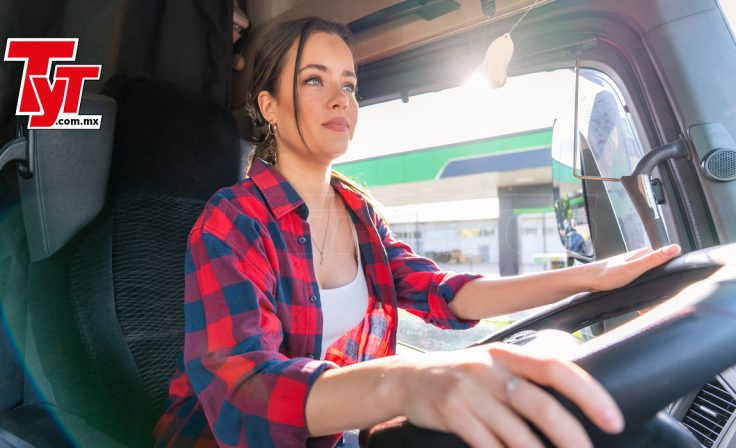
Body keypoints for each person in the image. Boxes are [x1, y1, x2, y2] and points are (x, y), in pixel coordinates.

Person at [154, 17, 681, 448]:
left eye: (349, 84)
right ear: (268, 106)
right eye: (314, 80)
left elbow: (446, 295)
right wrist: (406, 382)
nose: (342, 99)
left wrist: (590, 278)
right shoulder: (233, 219)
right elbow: (244, 390)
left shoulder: (358, 211)